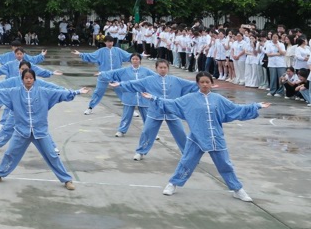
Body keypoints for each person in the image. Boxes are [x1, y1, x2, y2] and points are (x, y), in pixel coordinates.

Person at [141, 72, 269, 202]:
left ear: (211, 83)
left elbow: (235, 109)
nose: (205, 84)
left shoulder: (218, 99)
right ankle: (173, 184)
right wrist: (154, 98)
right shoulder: (189, 98)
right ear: (197, 83)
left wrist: (256, 106)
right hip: (196, 137)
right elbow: (172, 103)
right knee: (187, 162)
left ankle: (237, 189)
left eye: (207, 82)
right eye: (202, 82)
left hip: (216, 137)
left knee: (225, 164)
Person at [0, 68, 87, 189]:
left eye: (30, 78)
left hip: (40, 132)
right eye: (26, 78)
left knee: (52, 155)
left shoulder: (43, 92)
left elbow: (60, 93)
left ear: (34, 79)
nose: (28, 80)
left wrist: (77, 92)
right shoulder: (14, 92)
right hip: (21, 131)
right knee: (10, 153)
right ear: (22, 79)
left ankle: (66, 180)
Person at [115, 59, 193, 160]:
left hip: (172, 111)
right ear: (156, 68)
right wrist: (120, 84)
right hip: (155, 111)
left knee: (181, 133)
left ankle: (188, 154)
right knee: (147, 131)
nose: (163, 70)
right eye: (160, 67)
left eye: (165, 67)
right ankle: (141, 152)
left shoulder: (175, 80)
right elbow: (134, 83)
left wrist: (203, 86)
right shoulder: (149, 80)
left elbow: (190, 85)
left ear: (168, 69)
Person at [73, 36, 134, 114]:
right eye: (108, 42)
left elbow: (129, 55)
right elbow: (91, 56)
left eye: (111, 42)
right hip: (104, 75)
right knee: (98, 92)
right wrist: (80, 54)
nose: (110, 43)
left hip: (116, 75)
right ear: (105, 42)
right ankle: (90, 107)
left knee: (122, 91)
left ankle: (129, 108)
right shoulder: (101, 51)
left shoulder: (118, 50)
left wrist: (140, 55)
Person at [100, 53, 156, 137]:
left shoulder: (146, 71)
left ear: (140, 60)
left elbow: (156, 78)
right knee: (126, 115)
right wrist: (102, 73)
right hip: (129, 96)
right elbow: (113, 73)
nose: (135, 61)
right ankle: (121, 130)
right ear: (130, 60)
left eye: (137, 59)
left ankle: (152, 132)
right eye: (133, 59)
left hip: (143, 96)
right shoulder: (125, 70)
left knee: (147, 116)